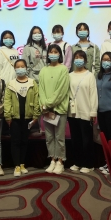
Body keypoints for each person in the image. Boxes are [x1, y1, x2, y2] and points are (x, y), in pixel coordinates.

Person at [5, 59, 40, 177]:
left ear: (26, 68)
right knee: (15, 141)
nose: (20, 68)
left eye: (22, 66)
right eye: (18, 67)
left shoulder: (32, 83)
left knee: (24, 141)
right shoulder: (11, 84)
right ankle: (16, 165)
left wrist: (36, 116)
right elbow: (7, 101)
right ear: (15, 69)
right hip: (14, 118)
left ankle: (22, 164)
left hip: (28, 118)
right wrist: (7, 116)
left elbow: (36, 99)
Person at [39, 44, 70, 174]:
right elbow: (41, 89)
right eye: (50, 52)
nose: (53, 54)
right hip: (47, 110)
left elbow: (61, 91)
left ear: (59, 54)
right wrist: (44, 105)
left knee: (59, 137)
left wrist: (49, 103)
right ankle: (52, 159)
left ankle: (60, 161)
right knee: (49, 137)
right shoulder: (43, 70)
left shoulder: (63, 69)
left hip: (59, 108)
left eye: (55, 52)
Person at [68, 50, 98, 173]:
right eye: (76, 57)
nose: (78, 59)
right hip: (72, 113)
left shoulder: (90, 75)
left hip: (86, 112)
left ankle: (88, 164)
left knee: (87, 140)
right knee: (76, 139)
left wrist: (93, 112)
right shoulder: (69, 75)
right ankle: (78, 162)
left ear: (85, 60)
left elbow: (93, 94)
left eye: (81, 57)